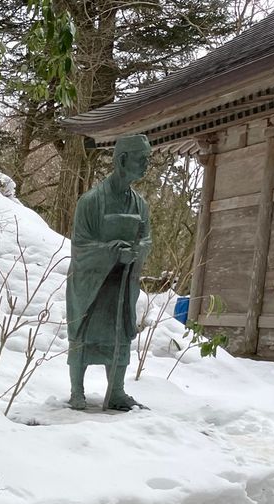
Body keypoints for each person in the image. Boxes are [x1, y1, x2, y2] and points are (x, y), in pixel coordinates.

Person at [65, 133, 153, 411]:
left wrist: (138, 252)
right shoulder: (90, 202)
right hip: (92, 283)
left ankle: (116, 391)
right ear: (122, 159)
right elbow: (80, 246)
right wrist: (114, 250)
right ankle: (76, 390)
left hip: (122, 284)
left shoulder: (141, 205)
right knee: (85, 332)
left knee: (120, 335)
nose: (146, 165)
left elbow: (146, 239)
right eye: (142, 159)